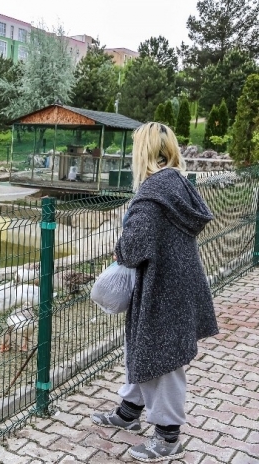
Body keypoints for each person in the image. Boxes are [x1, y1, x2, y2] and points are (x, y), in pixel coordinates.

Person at [90, 122, 219, 462]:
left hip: (161, 290)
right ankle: (129, 412)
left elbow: (133, 249)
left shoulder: (150, 196)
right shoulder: (176, 184)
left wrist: (119, 247)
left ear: (142, 151)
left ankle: (168, 438)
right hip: (178, 285)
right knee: (145, 350)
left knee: (163, 361)